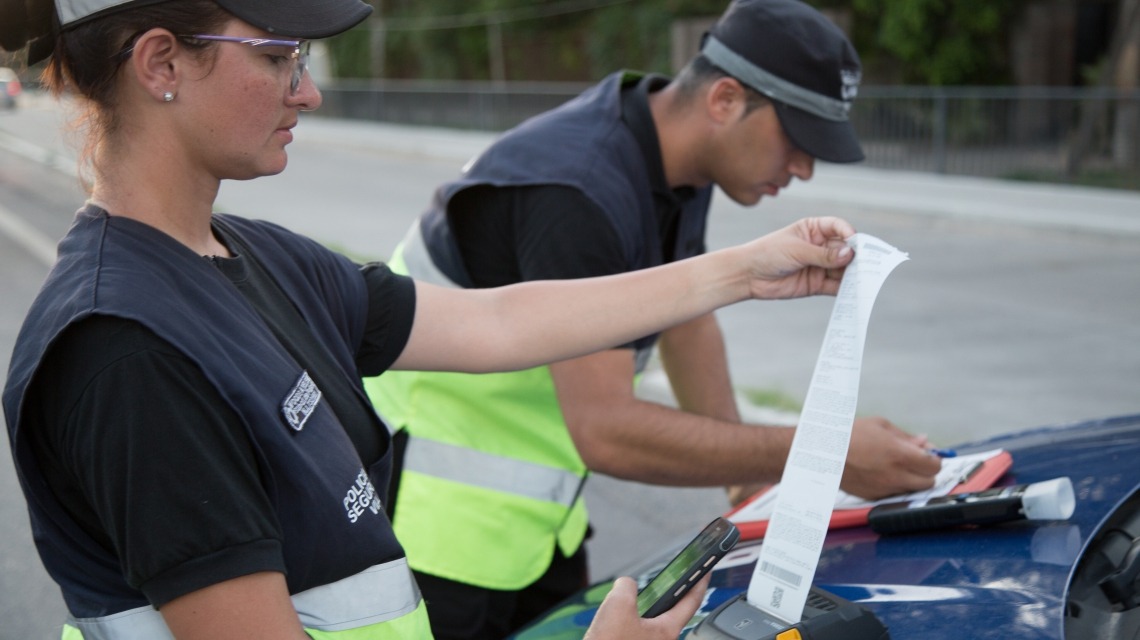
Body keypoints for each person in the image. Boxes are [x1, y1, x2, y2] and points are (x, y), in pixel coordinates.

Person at [0, 0, 868, 638]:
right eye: (277, 57)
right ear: (161, 65)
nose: (308, 95)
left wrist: (749, 271)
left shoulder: (258, 254)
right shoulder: (126, 351)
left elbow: (496, 325)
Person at [363, 0, 944, 637]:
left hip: (534, 528)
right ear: (724, 100)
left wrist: (745, 478)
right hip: (438, 534)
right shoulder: (577, 191)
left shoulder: (667, 160)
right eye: (798, 139)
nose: (805, 168)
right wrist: (820, 455)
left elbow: (687, 320)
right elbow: (606, 428)